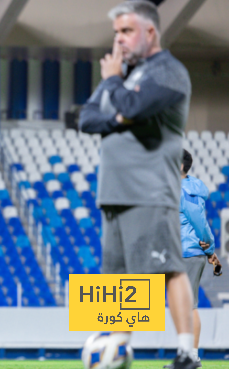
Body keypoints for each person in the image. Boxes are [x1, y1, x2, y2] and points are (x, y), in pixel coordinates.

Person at [79, 1, 197, 368]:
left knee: (167, 269)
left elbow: (132, 105)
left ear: (150, 32)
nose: (119, 40)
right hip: (112, 191)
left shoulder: (169, 72)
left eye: (126, 32)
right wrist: (119, 110)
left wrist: (113, 84)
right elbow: (87, 119)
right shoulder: (125, 74)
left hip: (149, 189)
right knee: (114, 282)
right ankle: (116, 353)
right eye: (116, 33)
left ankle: (186, 352)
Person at [163, 150, 222, 369]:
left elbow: (199, 221)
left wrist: (210, 248)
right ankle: (189, 355)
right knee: (186, 305)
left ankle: (191, 356)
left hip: (186, 252)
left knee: (188, 306)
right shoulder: (187, 187)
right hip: (182, 252)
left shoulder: (184, 191)